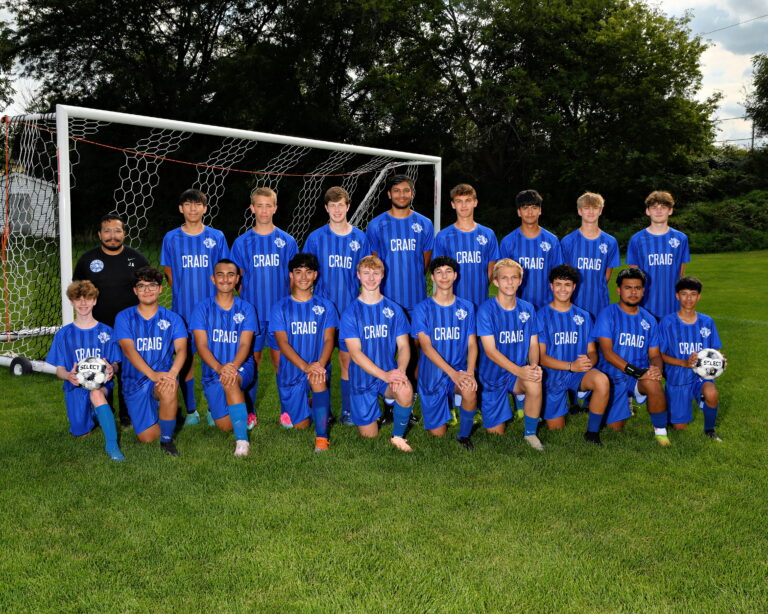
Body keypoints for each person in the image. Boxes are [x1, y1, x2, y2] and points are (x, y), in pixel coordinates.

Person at [160, 189, 229, 427]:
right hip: (183, 311)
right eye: (187, 204)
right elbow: (169, 274)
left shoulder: (217, 237)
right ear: (181, 209)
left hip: (213, 311)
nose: (192, 209)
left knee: (213, 359)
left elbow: (224, 271)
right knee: (186, 359)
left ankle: (213, 409)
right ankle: (191, 410)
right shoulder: (171, 238)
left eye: (197, 205)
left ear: (205, 209)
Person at [73, 213, 149, 428]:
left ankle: (127, 415)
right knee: (97, 370)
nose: (112, 236)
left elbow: (147, 292)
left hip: (130, 327)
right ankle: (101, 411)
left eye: (117, 231)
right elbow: (79, 293)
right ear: (99, 234)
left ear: (124, 233)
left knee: (128, 370)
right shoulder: (87, 260)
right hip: (97, 328)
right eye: (107, 231)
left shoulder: (138, 259)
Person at [230, 187, 298, 425]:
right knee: (252, 362)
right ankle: (249, 412)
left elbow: (294, 279)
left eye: (268, 205)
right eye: (259, 205)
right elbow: (237, 280)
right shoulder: (242, 243)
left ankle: (287, 411)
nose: (264, 210)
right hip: (252, 316)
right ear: (252, 208)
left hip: (280, 315)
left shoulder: (287, 241)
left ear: (275, 208)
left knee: (282, 362)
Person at [303, 186, 371, 425]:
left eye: (340, 205)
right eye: (332, 206)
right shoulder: (315, 238)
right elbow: (306, 274)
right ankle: (322, 409)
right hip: (320, 312)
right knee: (320, 362)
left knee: (347, 361)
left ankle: (348, 411)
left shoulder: (360, 238)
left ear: (348, 206)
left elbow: (365, 275)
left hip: (350, 311)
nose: (337, 210)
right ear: (326, 208)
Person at [339, 255, 416, 452]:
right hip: (362, 378)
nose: (371, 278)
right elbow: (355, 353)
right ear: (358, 275)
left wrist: (400, 370)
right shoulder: (351, 313)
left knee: (405, 389)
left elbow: (405, 346)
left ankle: (397, 436)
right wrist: (385, 375)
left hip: (388, 374)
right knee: (369, 436)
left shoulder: (393, 309)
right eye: (366, 273)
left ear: (382, 275)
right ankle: (384, 409)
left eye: (375, 273)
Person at [46, 280, 124, 461]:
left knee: (96, 393)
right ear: (71, 302)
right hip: (74, 387)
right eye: (78, 299)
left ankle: (112, 446)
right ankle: (96, 414)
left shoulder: (106, 331)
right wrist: (68, 375)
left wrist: (112, 368)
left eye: (88, 299)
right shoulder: (64, 335)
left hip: (101, 385)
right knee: (81, 431)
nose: (83, 303)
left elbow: (117, 364)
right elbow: (59, 370)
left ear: (95, 301)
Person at [113, 267, 187, 456]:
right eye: (141, 286)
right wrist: (151, 374)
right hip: (134, 381)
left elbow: (181, 350)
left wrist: (172, 375)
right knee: (147, 437)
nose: (147, 290)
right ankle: (167, 413)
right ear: (135, 291)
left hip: (162, 376)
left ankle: (167, 442)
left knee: (169, 387)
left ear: (160, 289)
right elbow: (128, 350)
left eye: (152, 285)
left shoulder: (173, 319)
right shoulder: (124, 317)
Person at [593, 267, 671, 445]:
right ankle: (614, 400)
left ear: (644, 291)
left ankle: (661, 432)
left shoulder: (649, 320)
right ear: (619, 290)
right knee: (614, 428)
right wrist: (638, 372)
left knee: (654, 383)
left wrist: (656, 369)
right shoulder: (608, 314)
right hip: (611, 377)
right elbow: (608, 353)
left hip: (638, 377)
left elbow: (655, 354)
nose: (633, 292)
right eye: (628, 287)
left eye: (638, 288)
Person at [269, 253, 337, 453]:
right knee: (300, 426)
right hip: (292, 372)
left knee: (316, 378)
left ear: (315, 275)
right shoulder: (280, 307)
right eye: (298, 272)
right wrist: (305, 366)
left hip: (317, 366)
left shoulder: (326, 306)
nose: (303, 277)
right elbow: (282, 343)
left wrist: (319, 365)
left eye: (308, 272)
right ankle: (311, 404)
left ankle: (322, 440)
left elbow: (328, 340)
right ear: (291, 276)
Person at [189, 259, 259, 456]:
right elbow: (201, 345)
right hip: (213, 370)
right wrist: (220, 368)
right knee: (224, 426)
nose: (225, 279)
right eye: (220, 274)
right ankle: (240, 406)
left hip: (242, 365)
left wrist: (232, 367)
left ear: (237, 279)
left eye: (231, 275)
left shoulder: (246, 308)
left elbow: (245, 344)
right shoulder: (202, 308)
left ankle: (242, 442)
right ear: (213, 278)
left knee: (230, 381)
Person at [476, 258, 545, 450]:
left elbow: (533, 344)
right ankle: (486, 401)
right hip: (491, 377)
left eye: (514, 277)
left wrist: (533, 366)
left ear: (521, 280)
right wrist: (520, 371)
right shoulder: (486, 310)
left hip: (516, 375)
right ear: (496, 281)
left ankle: (530, 434)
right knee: (496, 433)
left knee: (534, 379)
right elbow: (490, 351)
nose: (510, 282)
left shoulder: (527, 309)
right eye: (504, 278)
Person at [411, 256, 478, 449]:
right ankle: (443, 407)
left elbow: (472, 344)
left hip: (458, 369)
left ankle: (464, 435)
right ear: (432, 277)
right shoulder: (422, 309)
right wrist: (453, 374)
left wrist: (470, 372)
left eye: (448, 271)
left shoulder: (466, 307)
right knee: (437, 435)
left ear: (455, 275)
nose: (444, 276)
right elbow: (426, 347)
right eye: (438, 272)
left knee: (470, 388)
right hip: (432, 374)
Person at [537, 265, 609, 445]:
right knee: (556, 429)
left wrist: (588, 363)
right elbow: (540, 357)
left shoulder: (584, 316)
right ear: (551, 286)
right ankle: (543, 406)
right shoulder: (541, 316)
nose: (563, 289)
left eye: (567, 284)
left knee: (602, 381)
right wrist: (570, 366)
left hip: (578, 373)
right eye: (558, 284)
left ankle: (592, 433)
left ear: (574, 287)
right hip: (552, 376)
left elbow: (592, 351)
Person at [659, 277, 724, 441]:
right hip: (677, 377)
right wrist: (684, 363)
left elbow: (714, 351)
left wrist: (720, 361)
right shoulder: (667, 323)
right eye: (684, 294)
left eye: (693, 294)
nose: (688, 298)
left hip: (700, 376)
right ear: (677, 296)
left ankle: (710, 430)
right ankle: (669, 410)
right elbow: (659, 354)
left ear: (699, 297)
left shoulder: (707, 322)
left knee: (712, 393)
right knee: (679, 428)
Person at [365, 174, 434, 315]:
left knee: (417, 337)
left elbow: (425, 262)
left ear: (413, 194)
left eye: (406, 190)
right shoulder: (376, 225)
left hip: (417, 297)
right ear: (389, 194)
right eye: (396, 190)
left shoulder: (425, 224)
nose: (401, 195)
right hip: (386, 297)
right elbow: (374, 262)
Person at [433, 183, 500, 307]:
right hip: (451, 302)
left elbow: (492, 268)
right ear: (453, 204)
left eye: (468, 200)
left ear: (475, 202)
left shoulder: (488, 234)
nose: (463, 205)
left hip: (480, 302)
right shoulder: (443, 236)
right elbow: (438, 270)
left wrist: (481, 285)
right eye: (459, 201)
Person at [626, 190, 690, 318]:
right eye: (654, 207)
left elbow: (680, 273)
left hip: (673, 304)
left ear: (670, 211)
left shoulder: (681, 238)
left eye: (663, 207)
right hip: (645, 305)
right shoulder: (637, 239)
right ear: (648, 211)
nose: (659, 211)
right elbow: (634, 275)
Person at [499, 189, 563, 310]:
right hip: (516, 307)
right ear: (519, 212)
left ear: (540, 210)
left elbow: (558, 276)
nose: (530, 212)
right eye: (525, 208)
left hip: (546, 306)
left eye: (534, 207)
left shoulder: (552, 241)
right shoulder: (508, 242)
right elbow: (502, 278)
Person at [560, 192, 620, 320]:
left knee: (599, 339)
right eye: (587, 208)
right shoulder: (568, 241)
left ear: (600, 211)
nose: (591, 211)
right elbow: (564, 273)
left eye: (595, 208)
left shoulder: (610, 242)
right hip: (573, 301)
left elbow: (607, 275)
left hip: (599, 302)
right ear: (579, 211)